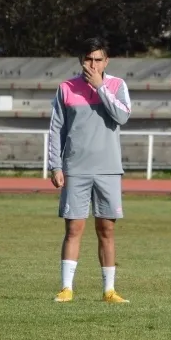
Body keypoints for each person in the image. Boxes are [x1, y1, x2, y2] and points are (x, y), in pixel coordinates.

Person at [48, 37, 132, 304]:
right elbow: (56, 130)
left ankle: (109, 291)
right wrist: (55, 165)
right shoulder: (66, 88)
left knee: (106, 229)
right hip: (76, 169)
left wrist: (101, 88)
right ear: (80, 60)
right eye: (88, 59)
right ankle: (66, 288)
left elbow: (122, 116)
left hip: (108, 169)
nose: (92, 65)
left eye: (98, 59)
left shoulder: (117, 86)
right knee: (74, 228)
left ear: (106, 61)